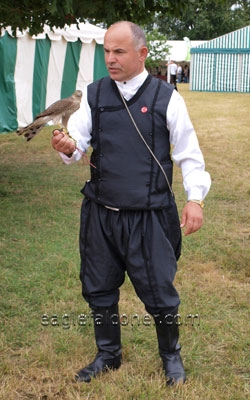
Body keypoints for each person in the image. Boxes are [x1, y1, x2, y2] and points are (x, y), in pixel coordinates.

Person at [51, 21, 211, 386]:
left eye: (119, 51)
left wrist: (195, 199)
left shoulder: (166, 97)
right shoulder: (94, 94)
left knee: (159, 291)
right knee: (99, 287)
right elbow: (77, 142)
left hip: (149, 215)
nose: (110, 59)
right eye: (107, 51)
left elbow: (189, 153)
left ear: (142, 53)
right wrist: (67, 147)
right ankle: (108, 354)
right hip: (101, 212)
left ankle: (171, 356)